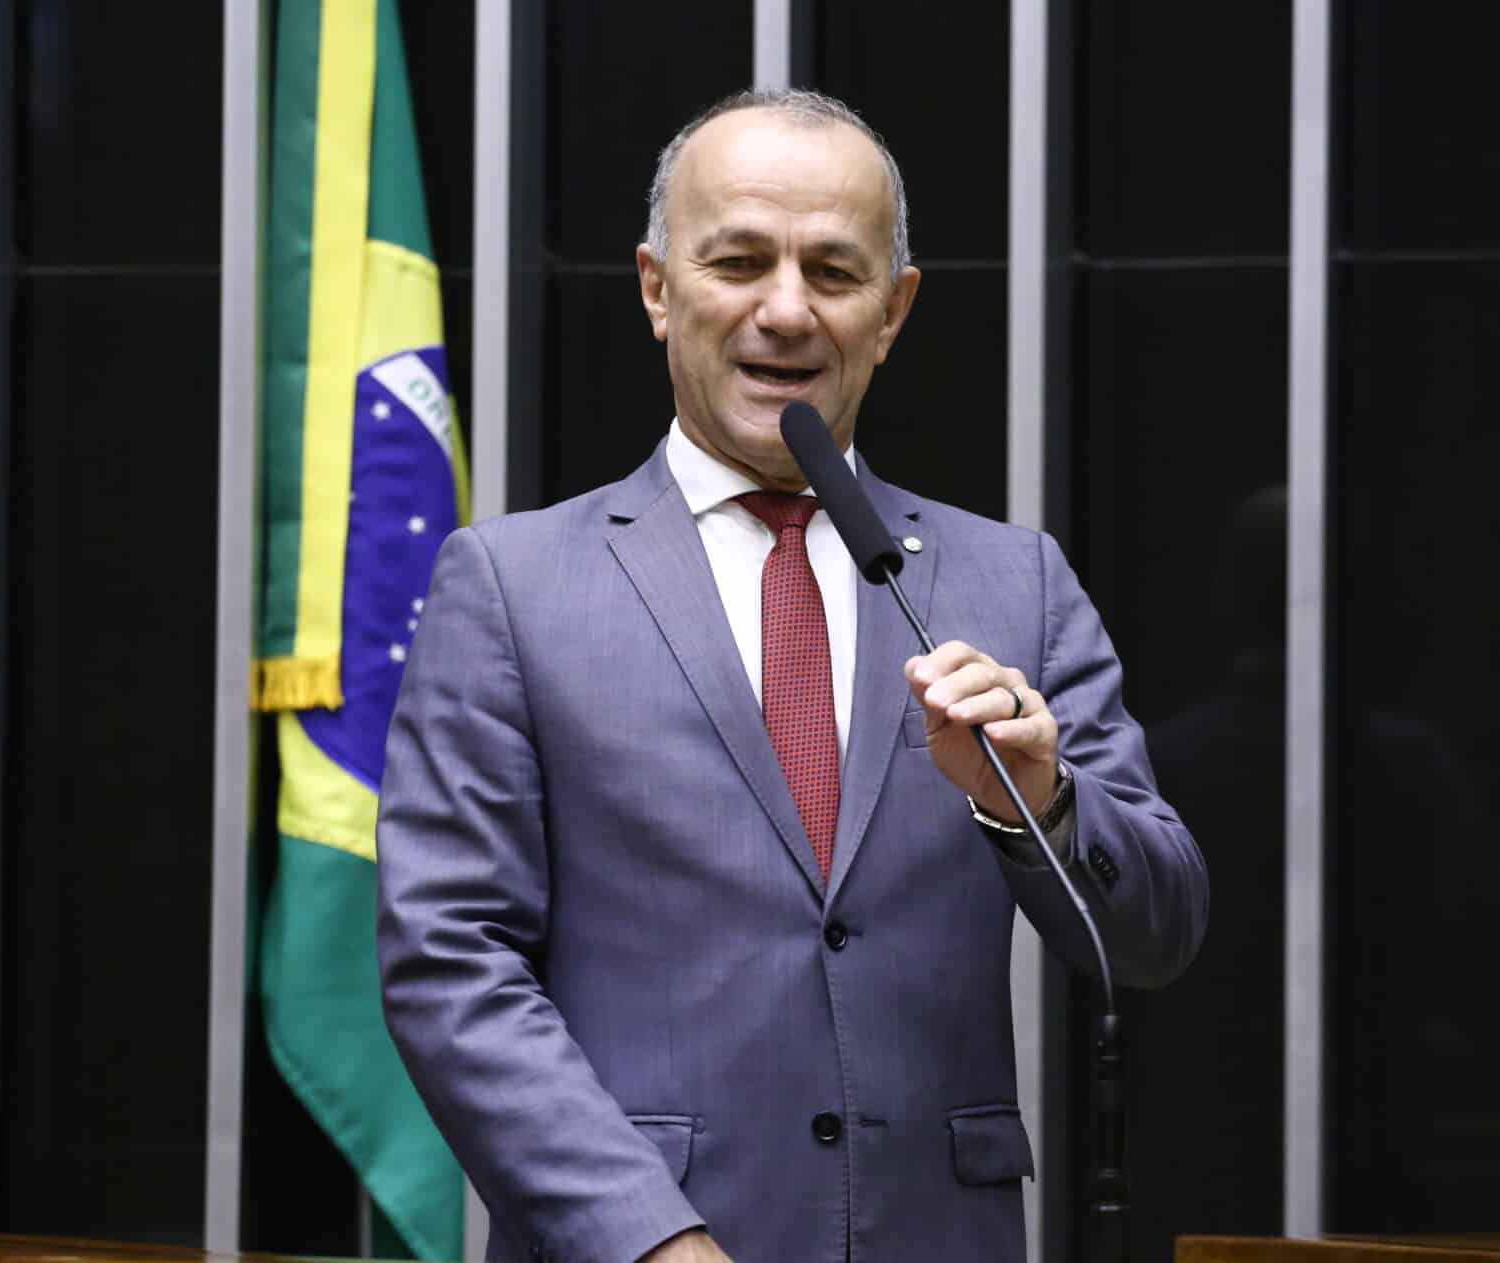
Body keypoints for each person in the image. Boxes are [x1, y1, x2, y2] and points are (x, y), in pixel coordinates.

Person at [376, 88, 1208, 1263]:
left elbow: (1156, 932)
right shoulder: (512, 586)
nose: (784, 310)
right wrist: (648, 1239)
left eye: (832, 270)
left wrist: (1041, 803)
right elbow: (450, 962)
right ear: (659, 289)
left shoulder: (1009, 580)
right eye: (737, 262)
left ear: (893, 310)